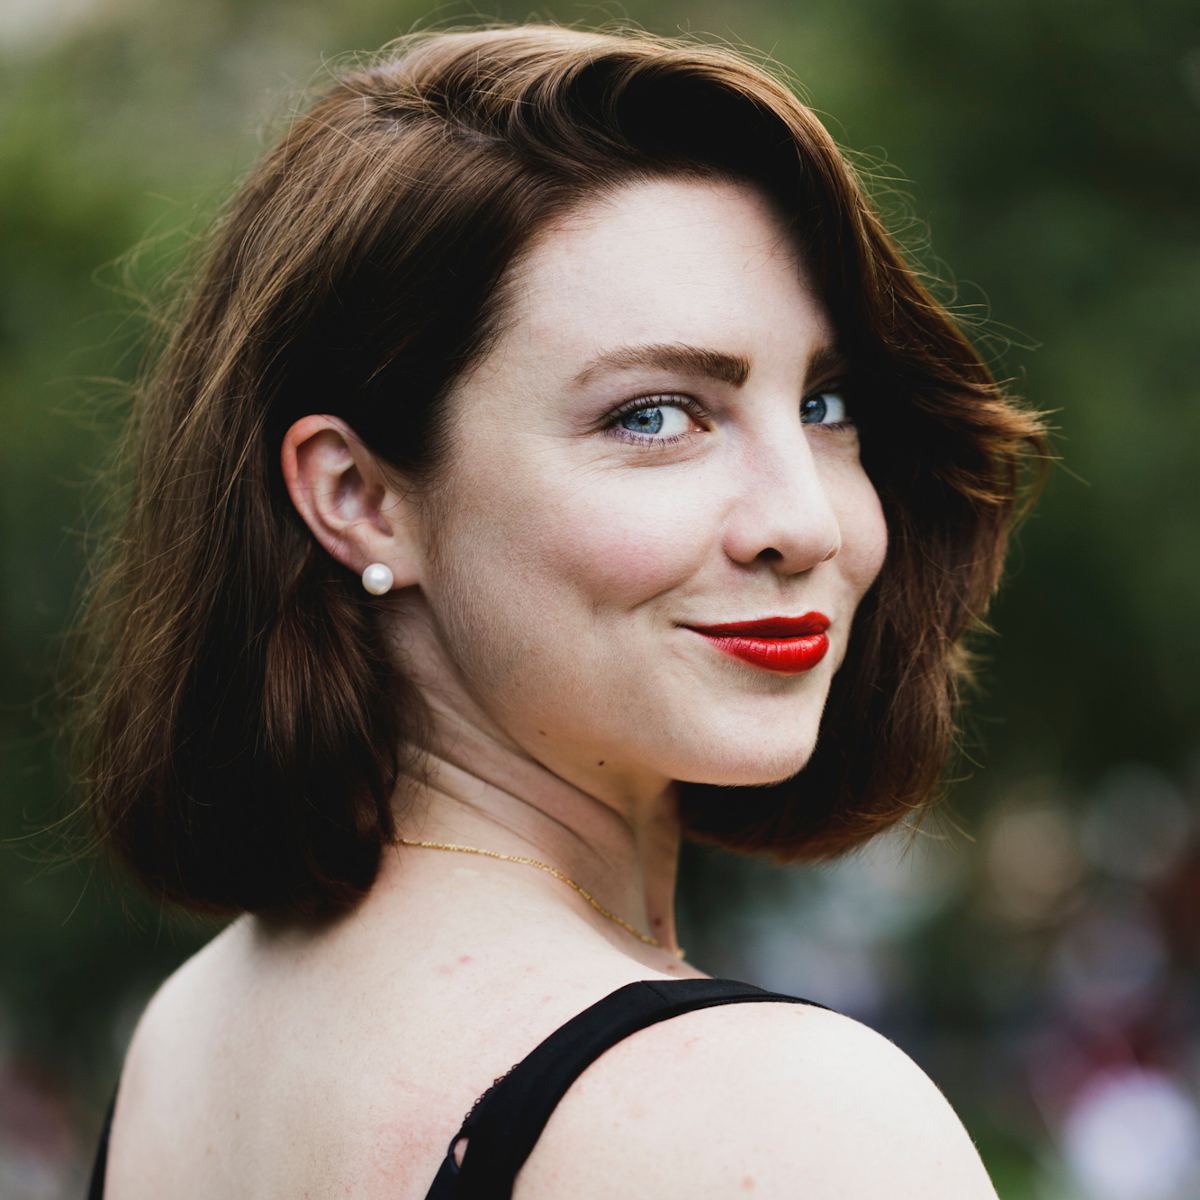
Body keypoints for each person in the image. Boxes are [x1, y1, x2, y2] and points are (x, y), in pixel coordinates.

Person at [74, 24, 1044, 1199]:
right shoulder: (774, 1118)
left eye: (827, 403)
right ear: (361, 498)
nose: (810, 520)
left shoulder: (194, 1032)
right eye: (653, 416)